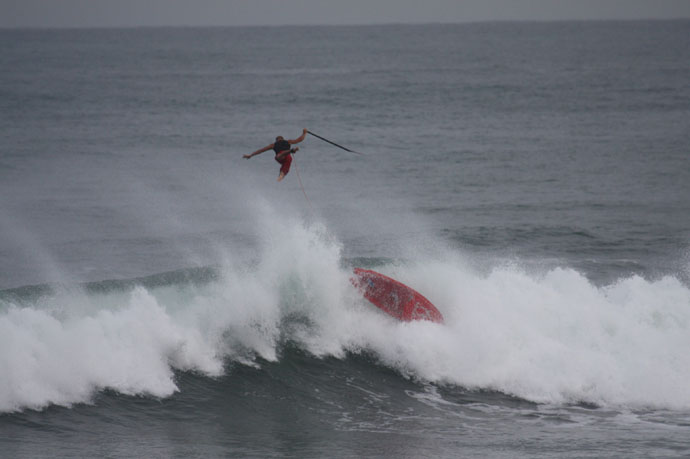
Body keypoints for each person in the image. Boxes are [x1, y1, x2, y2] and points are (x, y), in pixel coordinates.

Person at [244, 128, 308, 181]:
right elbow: (299, 140)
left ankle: (281, 175)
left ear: (277, 140)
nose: (279, 140)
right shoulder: (287, 142)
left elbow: (261, 150)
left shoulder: (274, 144)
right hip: (286, 156)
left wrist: (251, 155)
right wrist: (304, 133)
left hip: (281, 157)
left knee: (281, 158)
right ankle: (291, 151)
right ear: (282, 139)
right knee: (284, 159)